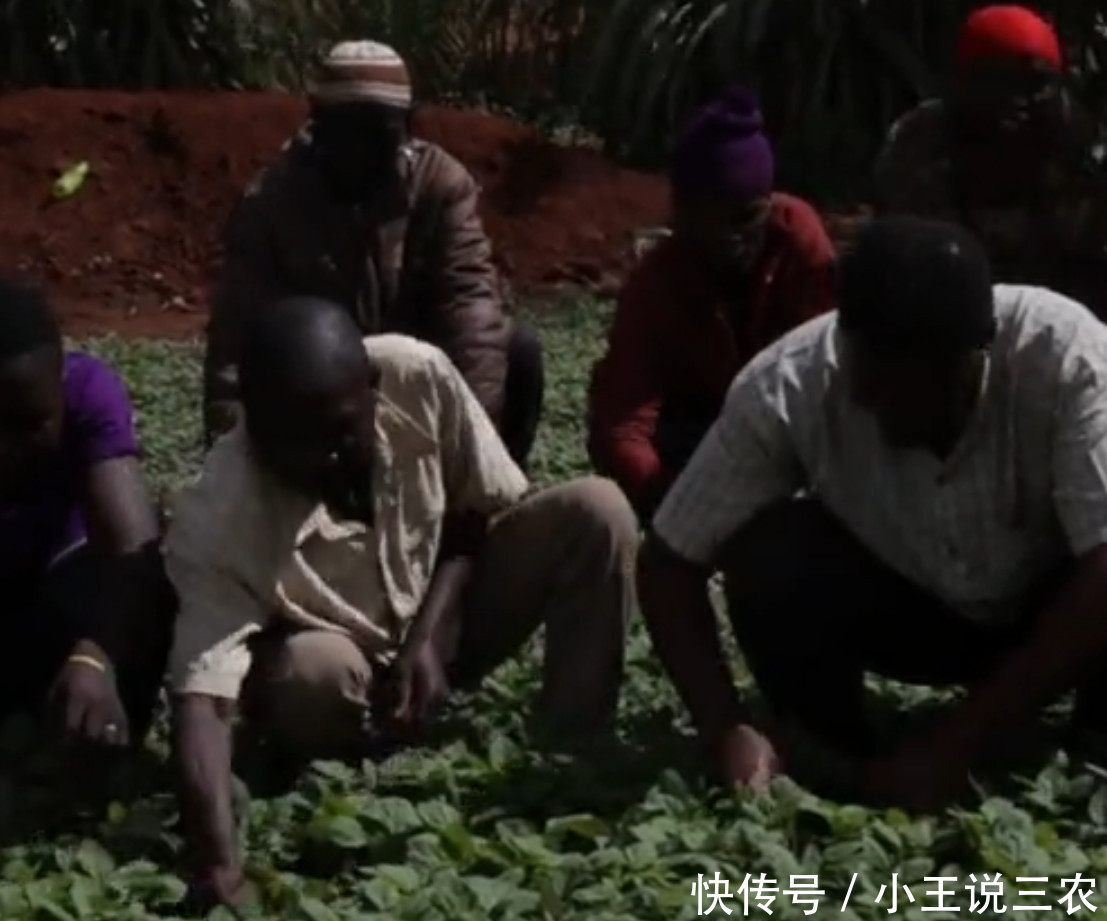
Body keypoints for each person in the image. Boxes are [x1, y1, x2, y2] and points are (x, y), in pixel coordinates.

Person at [167, 295, 635, 908]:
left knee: (597, 512)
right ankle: (357, 753)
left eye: (342, 432)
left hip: (444, 621)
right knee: (316, 673)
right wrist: (219, 864)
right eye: (297, 445)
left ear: (373, 389)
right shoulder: (219, 512)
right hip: (341, 667)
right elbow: (203, 700)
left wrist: (430, 637)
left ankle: (569, 758)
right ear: (256, 427)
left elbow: (473, 510)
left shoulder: (417, 375)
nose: (326, 458)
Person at [637, 216, 1107, 812]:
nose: (876, 402)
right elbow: (669, 562)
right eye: (868, 372)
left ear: (971, 359)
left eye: (906, 384)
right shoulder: (792, 385)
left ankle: (1083, 743)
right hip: (910, 608)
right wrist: (725, 727)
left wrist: (959, 742)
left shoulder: (1067, 357)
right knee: (772, 551)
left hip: (1052, 611)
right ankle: (829, 747)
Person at [204, 40, 544, 467]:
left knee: (517, 350)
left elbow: (469, 311)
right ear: (316, 122)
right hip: (319, 396)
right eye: (344, 130)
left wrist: (470, 451)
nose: (358, 151)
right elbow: (237, 340)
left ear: (407, 126)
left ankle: (492, 490)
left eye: (376, 132)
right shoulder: (273, 201)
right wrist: (229, 457)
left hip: (414, 384)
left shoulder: (439, 188)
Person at [587, 86, 834, 518]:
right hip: (702, 436)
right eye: (708, 218)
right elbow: (623, 419)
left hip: (788, 432)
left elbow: (828, 376)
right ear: (682, 214)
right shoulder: (657, 281)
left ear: (767, 206)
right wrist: (667, 498)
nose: (728, 237)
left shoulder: (799, 245)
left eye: (745, 217)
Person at [0, 276, 173, 754]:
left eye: (29, 425)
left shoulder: (87, 391)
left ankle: (96, 729)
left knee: (156, 582)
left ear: (60, 385)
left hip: (57, 593)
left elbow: (134, 550)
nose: (4, 448)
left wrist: (95, 658)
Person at [873, 5, 1107, 316]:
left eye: (1034, 85)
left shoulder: (1083, 151)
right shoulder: (919, 144)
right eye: (998, 82)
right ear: (964, 84)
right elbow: (901, 256)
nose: (1017, 101)